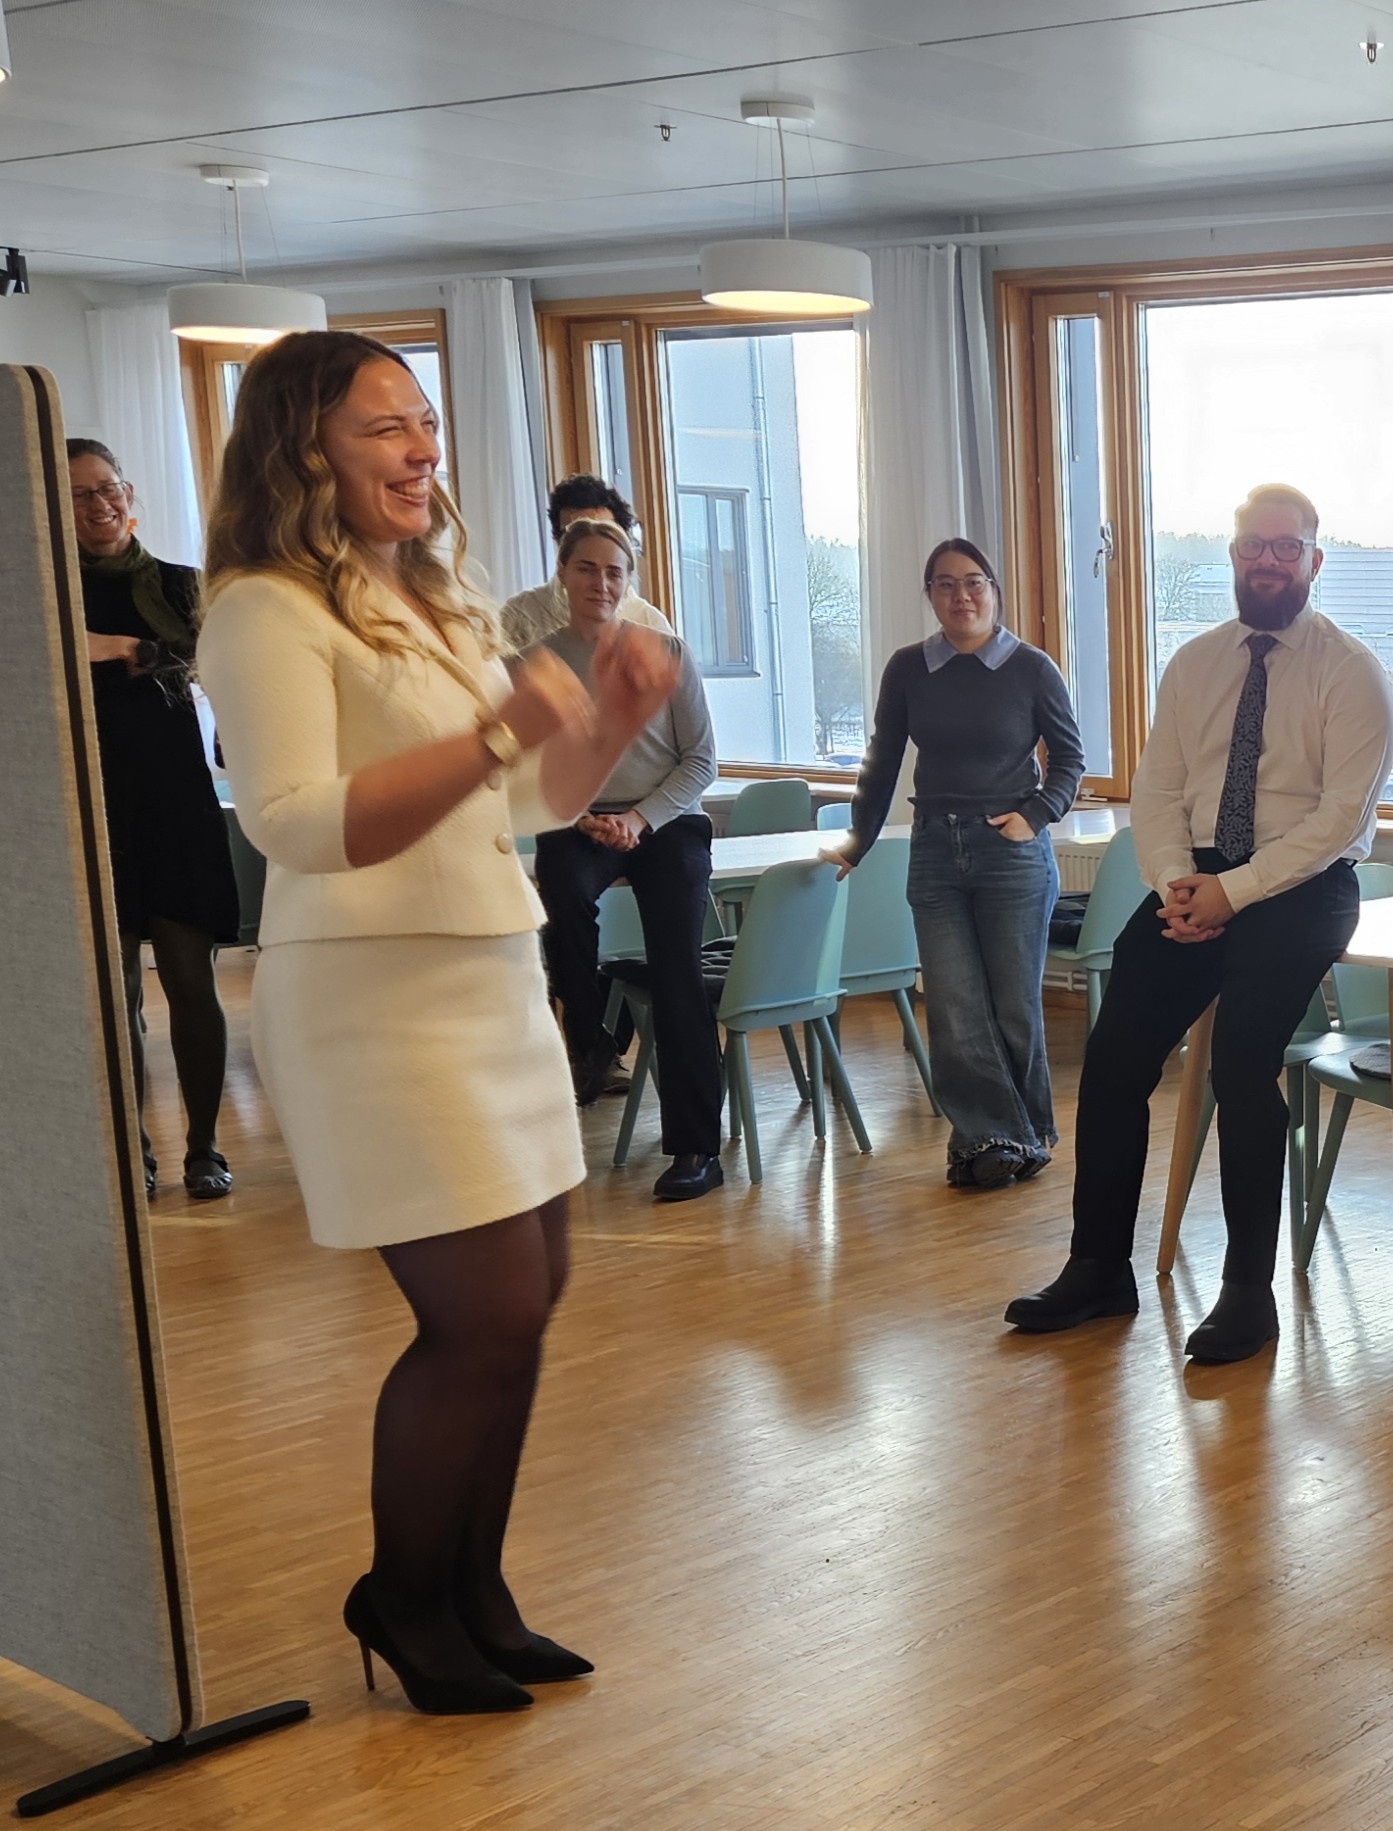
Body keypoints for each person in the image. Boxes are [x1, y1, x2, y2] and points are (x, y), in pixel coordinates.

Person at [197, 330, 679, 1714]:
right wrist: (498, 729)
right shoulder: (265, 609)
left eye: (424, 422)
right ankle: (404, 1595)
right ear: (302, 448)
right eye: (384, 427)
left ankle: (476, 1589)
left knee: (529, 1304)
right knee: (481, 1315)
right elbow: (294, 822)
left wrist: (606, 717)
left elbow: (526, 800)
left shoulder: (431, 596)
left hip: (486, 976)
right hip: (373, 994)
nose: (422, 451)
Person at [1005, 486, 1393, 1360]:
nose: (1268, 561)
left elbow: (1339, 820)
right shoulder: (1194, 663)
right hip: (1197, 879)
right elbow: (1159, 790)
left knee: (1242, 1064)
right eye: (1254, 545)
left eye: (1286, 548)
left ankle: (1248, 1295)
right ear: (1233, 554)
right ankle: (1098, 1268)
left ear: (1313, 561)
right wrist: (1176, 884)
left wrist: (1237, 891)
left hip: (1305, 886)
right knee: (1114, 1058)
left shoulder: (1351, 672)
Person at [828, 538, 1085, 1187]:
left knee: (1013, 1006)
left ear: (994, 591)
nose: (961, 595)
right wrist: (859, 840)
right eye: (945, 584)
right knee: (952, 1005)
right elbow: (882, 759)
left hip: (1012, 855)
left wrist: (1035, 815)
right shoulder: (909, 668)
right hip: (935, 853)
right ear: (931, 595)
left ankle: (1018, 1135)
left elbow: (1070, 759)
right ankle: (990, 1137)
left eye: (973, 582)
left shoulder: (1032, 668)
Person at [522, 516, 725, 1203]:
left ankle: (697, 1147)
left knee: (677, 969)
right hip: (579, 817)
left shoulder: (666, 652)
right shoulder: (537, 663)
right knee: (561, 898)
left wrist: (640, 819)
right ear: (563, 574)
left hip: (665, 820)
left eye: (615, 571)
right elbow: (528, 765)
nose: (601, 583)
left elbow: (702, 760)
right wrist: (580, 813)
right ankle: (594, 1040)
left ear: (629, 581)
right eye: (587, 568)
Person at [68, 437, 241, 1200]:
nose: (101, 504)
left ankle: (204, 1148)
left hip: (176, 803)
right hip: (92, 806)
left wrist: (116, 648)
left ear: (130, 493)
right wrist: (122, 647)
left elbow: (200, 658)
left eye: (109, 487)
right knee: (117, 996)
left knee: (191, 980)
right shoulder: (44, 593)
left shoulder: (181, 584)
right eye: (81, 494)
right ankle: (132, 1149)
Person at [495, 474, 674, 655]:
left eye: (604, 531)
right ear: (558, 541)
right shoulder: (520, 616)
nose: (592, 542)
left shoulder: (650, 623)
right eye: (575, 533)